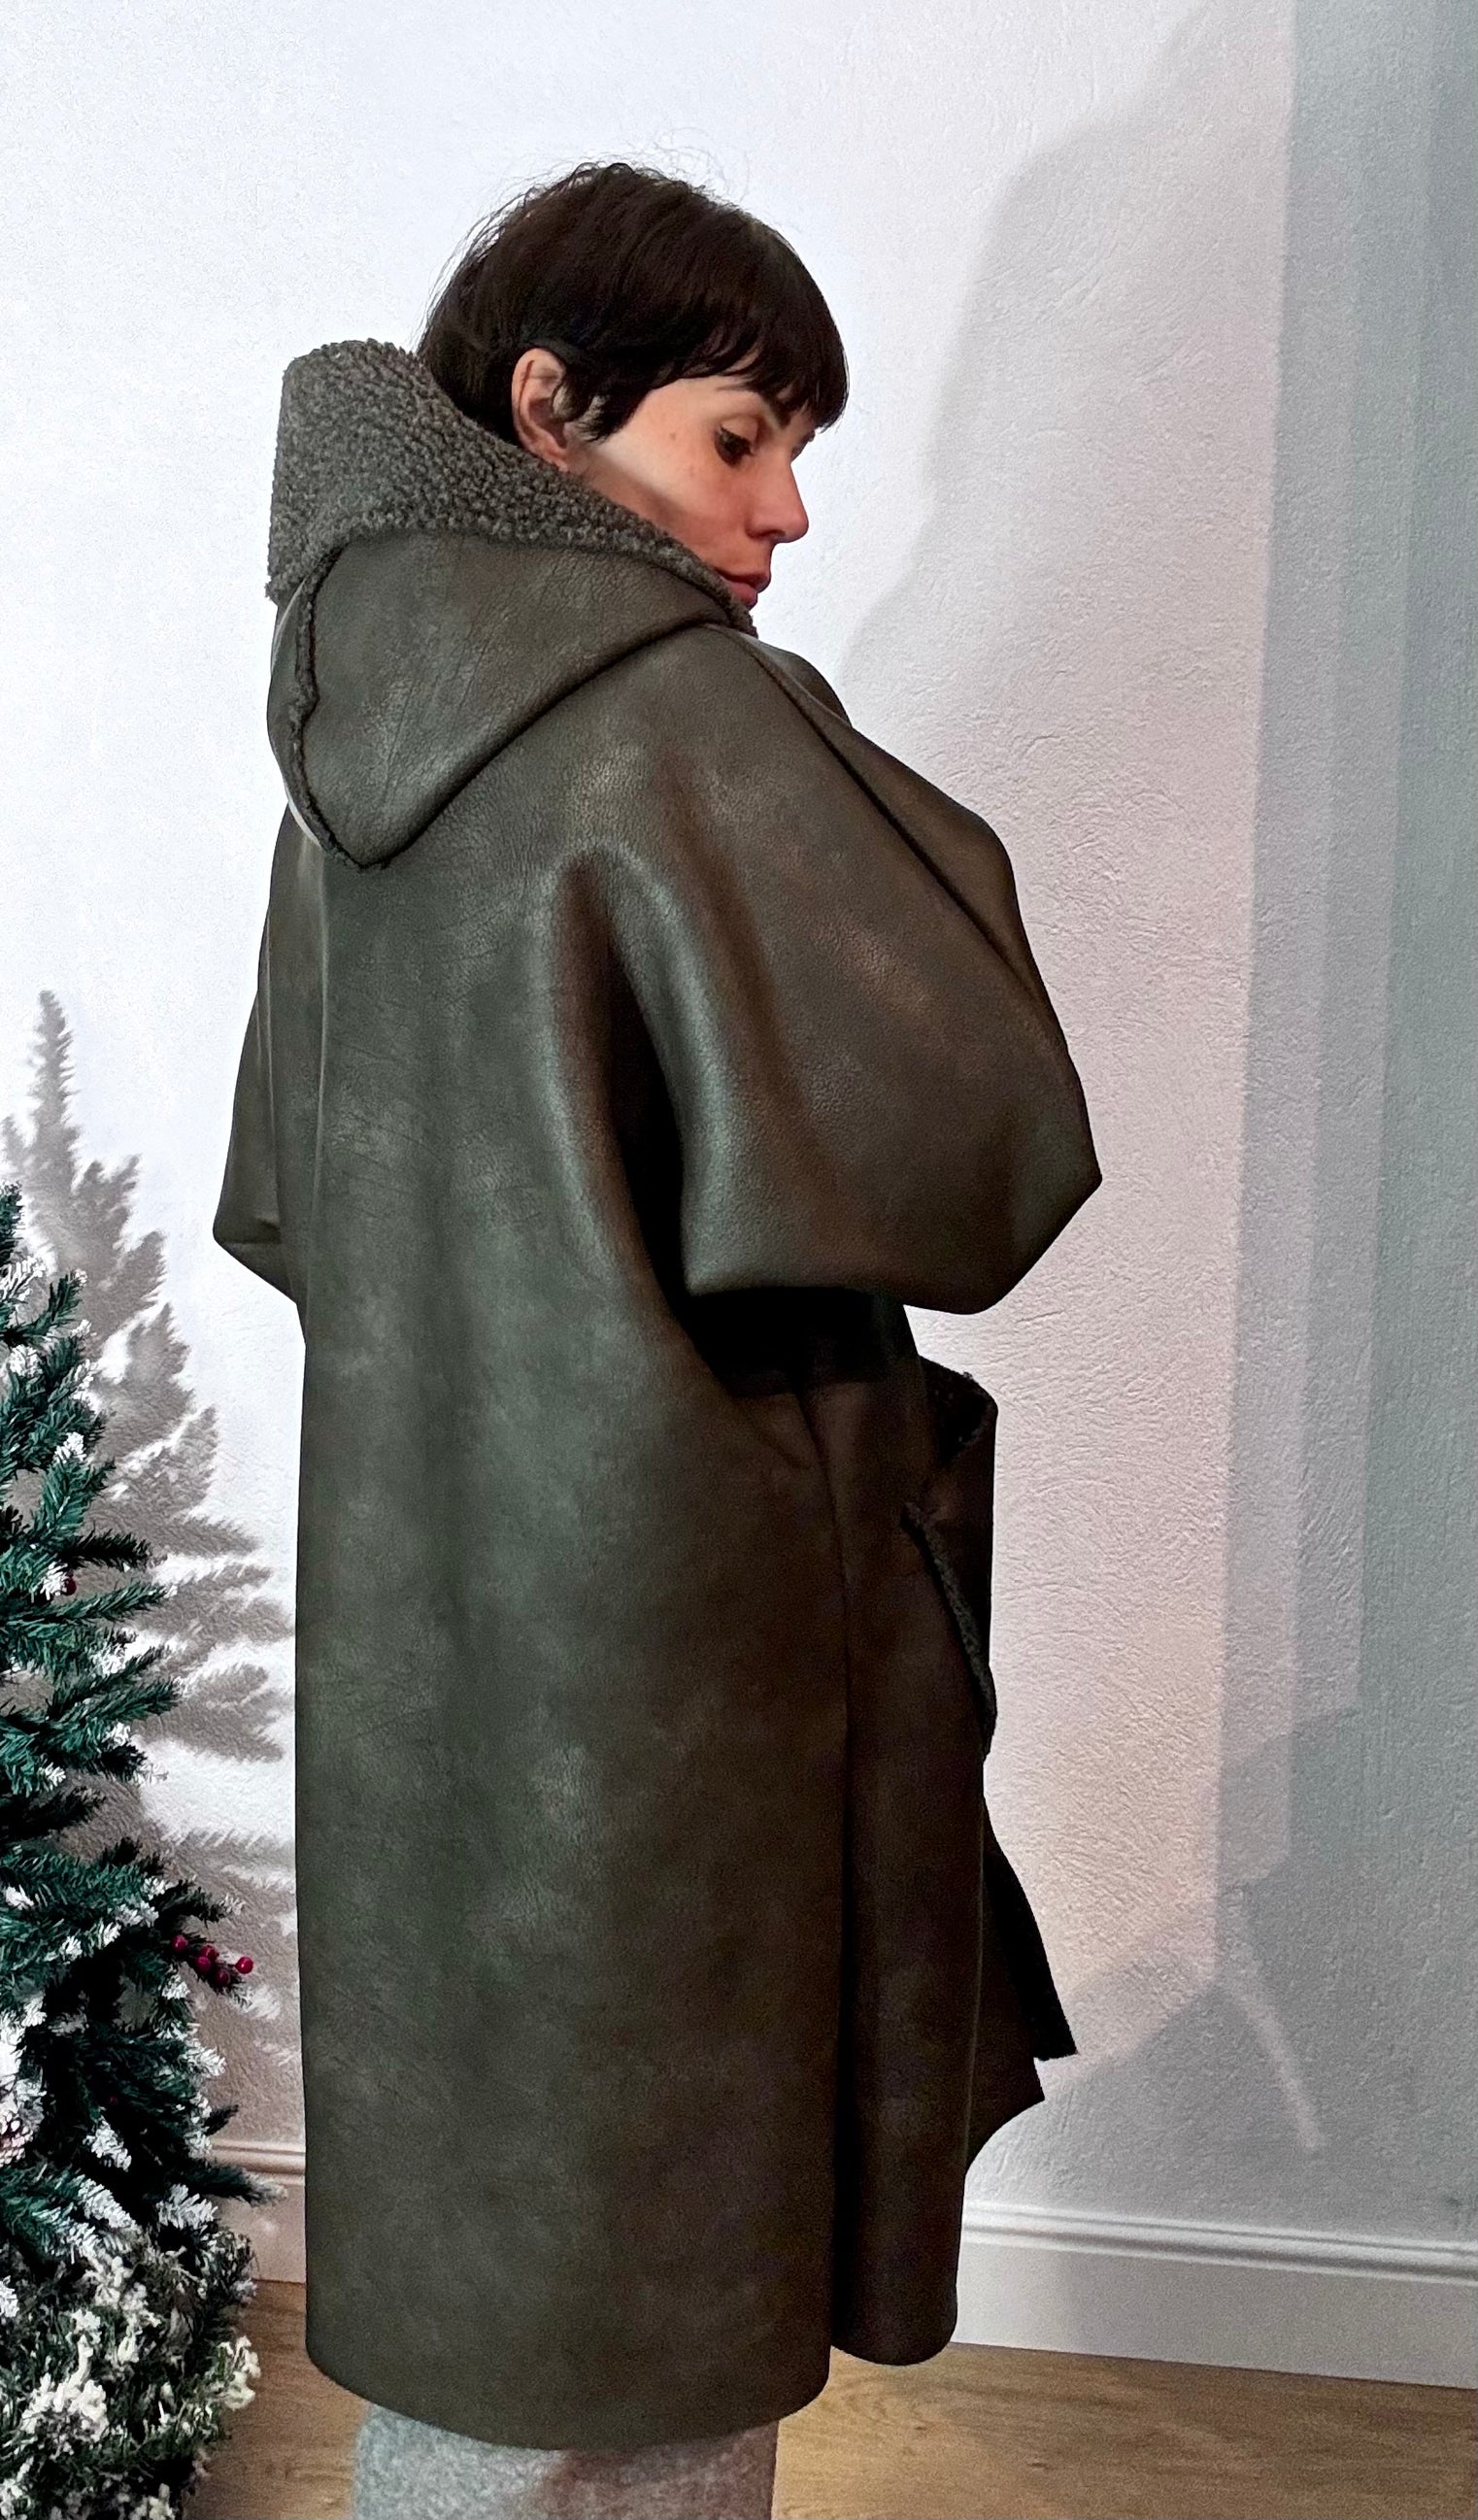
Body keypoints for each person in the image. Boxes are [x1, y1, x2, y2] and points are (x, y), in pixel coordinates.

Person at [215, 161, 1101, 2520]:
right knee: (662, 2298)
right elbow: (988, 1153)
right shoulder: (686, 721)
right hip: (687, 1634)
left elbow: (284, 1199)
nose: (787, 509)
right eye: (740, 435)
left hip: (427, 1617)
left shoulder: (339, 759)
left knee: (514, 2286)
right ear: (550, 406)